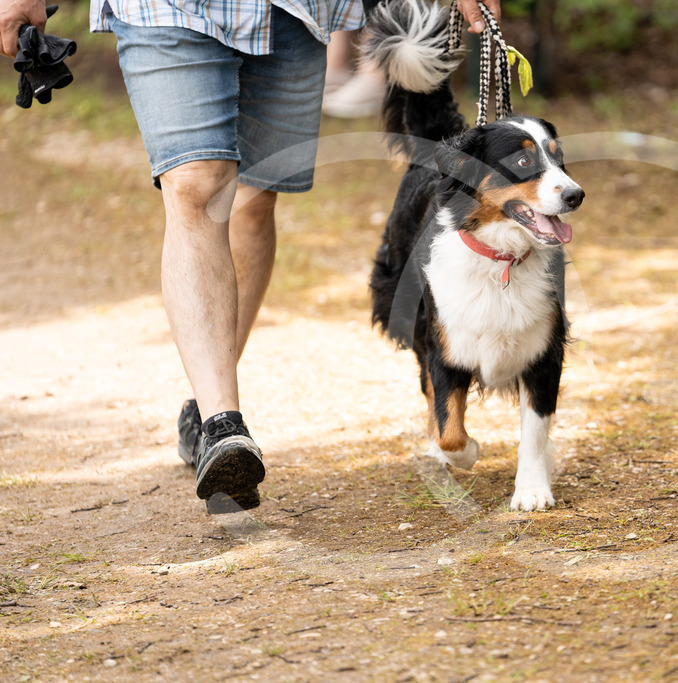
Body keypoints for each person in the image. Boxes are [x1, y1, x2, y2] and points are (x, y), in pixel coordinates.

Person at [0, 0, 501, 513]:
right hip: (165, 10)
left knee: (254, 204)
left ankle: (204, 407)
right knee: (197, 187)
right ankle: (223, 425)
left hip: (294, 12)